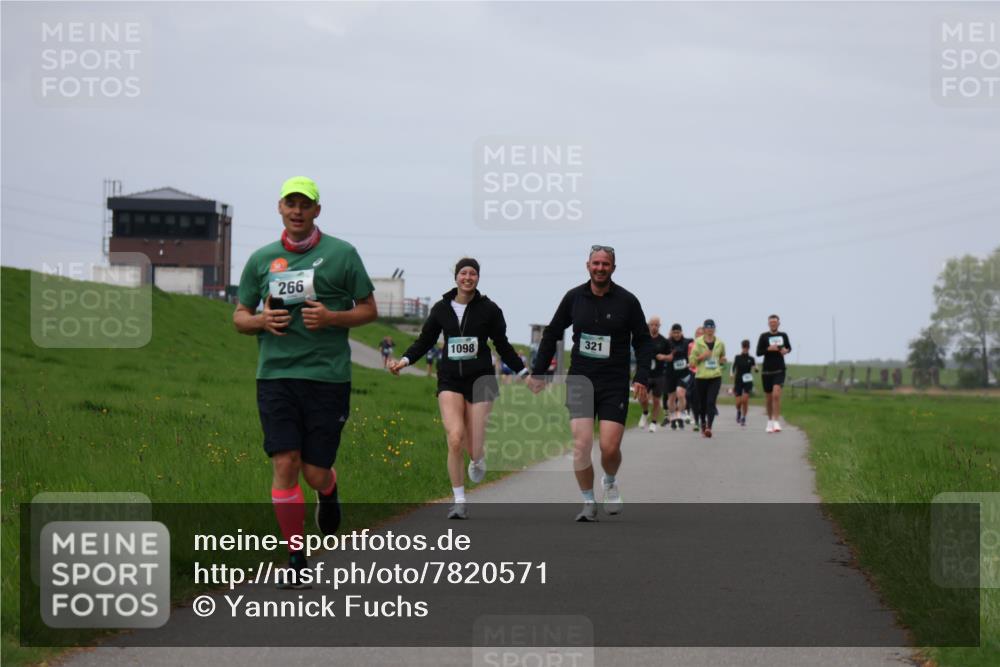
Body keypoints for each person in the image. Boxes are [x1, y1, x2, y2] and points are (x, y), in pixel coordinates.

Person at [234, 176, 376, 587]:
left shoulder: (342, 254)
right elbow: (239, 316)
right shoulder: (262, 260)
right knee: (284, 463)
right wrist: (261, 320)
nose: (297, 211)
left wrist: (333, 318)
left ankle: (328, 490)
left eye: (305, 204)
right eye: (290, 203)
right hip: (275, 376)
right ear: (280, 207)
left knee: (314, 472)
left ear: (317, 210)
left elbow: (368, 309)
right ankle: (297, 556)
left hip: (327, 378)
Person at [389, 258, 526, 519]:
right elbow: (425, 340)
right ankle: (459, 499)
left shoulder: (490, 310)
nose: (468, 277)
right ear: (456, 277)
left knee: (473, 444)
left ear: (478, 278)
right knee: (455, 438)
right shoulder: (441, 309)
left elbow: (503, 345)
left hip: (481, 379)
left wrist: (523, 372)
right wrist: (404, 361)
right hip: (450, 379)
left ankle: (478, 457)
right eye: (463, 273)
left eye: (472, 273)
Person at [527, 246, 651, 522]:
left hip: (614, 381)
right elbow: (552, 333)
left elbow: (643, 340)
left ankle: (609, 480)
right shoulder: (574, 298)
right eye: (596, 263)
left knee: (609, 447)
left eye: (605, 264)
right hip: (581, 380)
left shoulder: (627, 301)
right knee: (581, 445)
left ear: (613, 268)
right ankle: (587, 502)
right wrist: (539, 372)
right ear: (587, 266)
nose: (600, 268)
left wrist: (642, 375)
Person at [689, 319, 727, 438]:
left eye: (712, 326)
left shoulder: (720, 343)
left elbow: (722, 358)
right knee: (702, 404)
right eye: (707, 327)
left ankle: (709, 427)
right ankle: (703, 424)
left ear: (714, 329)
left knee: (711, 402)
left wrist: (722, 362)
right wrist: (702, 356)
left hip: (715, 376)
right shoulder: (698, 343)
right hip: (701, 377)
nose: (710, 329)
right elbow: (692, 362)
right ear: (704, 329)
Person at [756, 314, 792, 433]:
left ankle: (776, 421)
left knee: (776, 395)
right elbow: (758, 352)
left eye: (775, 322)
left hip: (779, 370)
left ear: (778, 323)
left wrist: (786, 350)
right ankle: (770, 421)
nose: (773, 324)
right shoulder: (763, 336)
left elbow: (788, 348)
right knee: (769, 398)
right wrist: (768, 349)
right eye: (771, 322)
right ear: (768, 324)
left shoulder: (783, 335)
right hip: (767, 371)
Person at [639, 316, 670, 433]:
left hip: (658, 375)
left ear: (659, 326)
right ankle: (645, 412)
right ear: (648, 325)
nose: (654, 327)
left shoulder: (664, 341)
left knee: (657, 401)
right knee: (642, 397)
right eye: (652, 324)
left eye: (656, 325)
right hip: (645, 374)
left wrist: (664, 357)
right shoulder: (643, 338)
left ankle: (653, 422)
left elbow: (670, 356)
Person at [730, 339, 757, 427]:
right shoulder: (737, 357)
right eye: (744, 347)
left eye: (747, 347)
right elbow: (733, 367)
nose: (745, 349)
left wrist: (756, 369)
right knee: (738, 402)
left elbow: (755, 367)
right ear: (742, 347)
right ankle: (738, 411)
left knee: (745, 400)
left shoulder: (751, 358)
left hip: (748, 380)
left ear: (749, 348)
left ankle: (743, 417)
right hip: (738, 381)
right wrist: (731, 374)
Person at [686, 326, 703, 431]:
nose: (699, 335)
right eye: (698, 333)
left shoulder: (707, 346)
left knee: (702, 398)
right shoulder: (691, 345)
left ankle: (702, 418)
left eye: (701, 333)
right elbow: (690, 358)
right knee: (691, 396)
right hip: (693, 372)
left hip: (704, 374)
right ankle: (696, 420)